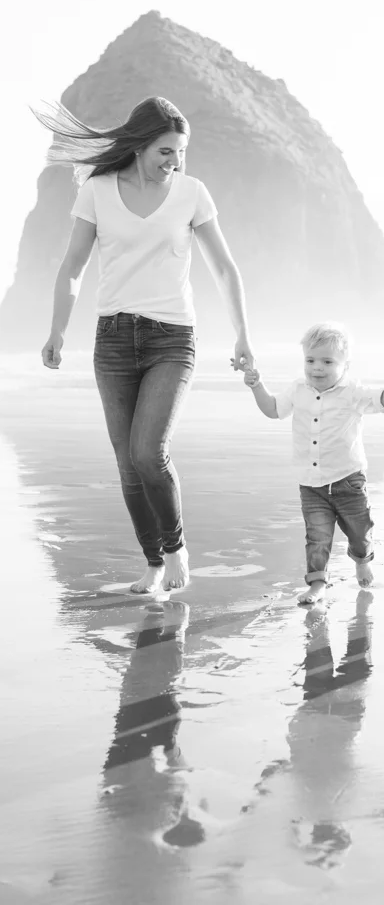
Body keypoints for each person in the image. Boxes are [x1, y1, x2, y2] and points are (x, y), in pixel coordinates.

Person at [35, 96, 254, 593]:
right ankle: (153, 564)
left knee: (148, 452)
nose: (173, 162)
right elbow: (72, 267)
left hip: (172, 339)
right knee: (126, 463)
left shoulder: (193, 193)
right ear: (138, 146)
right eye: (164, 151)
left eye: (179, 152)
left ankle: (176, 550)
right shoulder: (97, 191)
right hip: (112, 339)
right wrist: (56, 330)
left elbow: (224, 268)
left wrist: (243, 335)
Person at [241, 322, 384, 605]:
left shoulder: (352, 392)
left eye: (327, 361)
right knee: (317, 537)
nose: (317, 368)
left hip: (348, 479)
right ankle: (317, 584)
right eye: (310, 360)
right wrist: (256, 386)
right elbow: (273, 410)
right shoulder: (298, 389)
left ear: (345, 365)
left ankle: (361, 559)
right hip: (311, 485)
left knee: (359, 531)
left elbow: (381, 400)